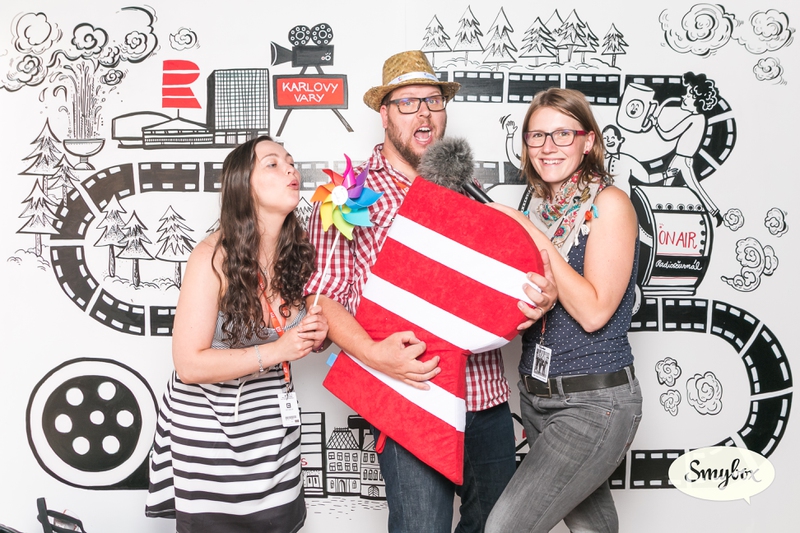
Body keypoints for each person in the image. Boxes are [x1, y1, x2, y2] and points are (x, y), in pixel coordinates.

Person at [305, 50, 556, 533]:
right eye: (408, 102)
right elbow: (323, 297)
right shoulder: (349, 195)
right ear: (384, 114)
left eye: (433, 101)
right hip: (412, 395)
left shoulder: (469, 190)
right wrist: (375, 354)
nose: (423, 113)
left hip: (484, 396)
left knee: (499, 526)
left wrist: (537, 297)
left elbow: (505, 279)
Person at [145, 136, 329, 533]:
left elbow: (292, 334)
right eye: (272, 163)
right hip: (211, 435)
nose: (290, 168)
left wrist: (314, 336)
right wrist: (279, 349)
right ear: (242, 186)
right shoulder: (212, 257)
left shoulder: (297, 254)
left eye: (290, 161)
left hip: (274, 434)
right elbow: (189, 364)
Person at [485, 88, 643, 533]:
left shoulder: (609, 204)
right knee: (593, 528)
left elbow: (594, 312)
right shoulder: (539, 208)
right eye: (537, 135)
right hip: (538, 396)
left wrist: (527, 231)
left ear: (587, 141)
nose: (548, 146)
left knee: (504, 528)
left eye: (562, 134)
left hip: (593, 403)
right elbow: (540, 305)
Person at [654, 71, 723, 226]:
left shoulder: (694, 119)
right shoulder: (700, 118)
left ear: (698, 100)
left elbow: (668, 135)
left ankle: (714, 213)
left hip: (683, 159)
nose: (684, 97)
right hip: (681, 158)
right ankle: (714, 213)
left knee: (682, 187)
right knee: (672, 186)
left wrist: (656, 123)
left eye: (689, 95)